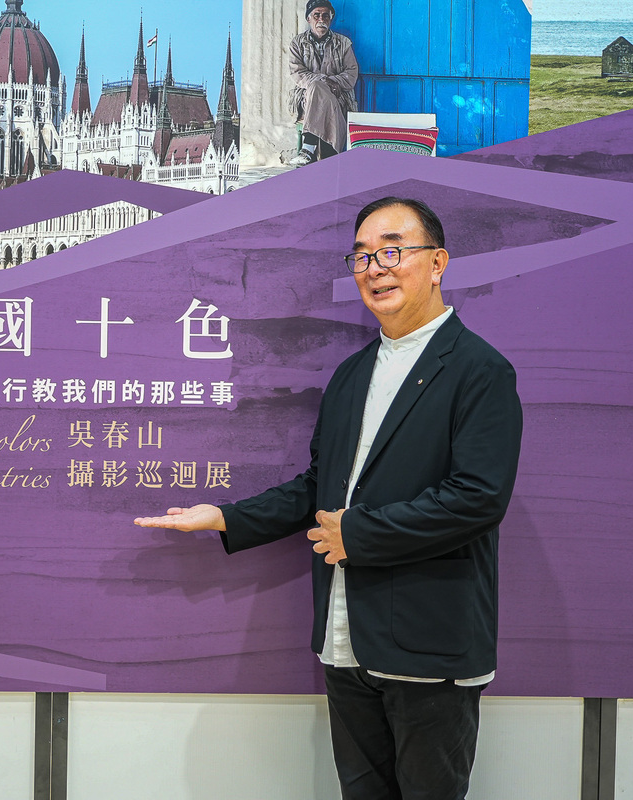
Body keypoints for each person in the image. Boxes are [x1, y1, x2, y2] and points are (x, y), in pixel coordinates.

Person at [135, 197, 522, 800]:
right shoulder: (352, 374)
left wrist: (359, 535)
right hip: (345, 642)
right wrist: (228, 519)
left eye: (393, 250)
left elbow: (478, 498)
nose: (375, 267)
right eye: (363, 255)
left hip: (429, 643)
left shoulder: (479, 370)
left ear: (438, 262)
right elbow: (321, 490)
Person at [288, 0, 359, 166]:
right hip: (306, 98)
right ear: (308, 19)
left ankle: (308, 149)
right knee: (316, 88)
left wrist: (330, 82)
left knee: (321, 93)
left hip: (338, 95)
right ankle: (330, 158)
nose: (321, 19)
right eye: (317, 15)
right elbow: (297, 73)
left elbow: (351, 73)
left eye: (326, 15)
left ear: (331, 18)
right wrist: (325, 81)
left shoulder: (343, 43)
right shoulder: (297, 43)